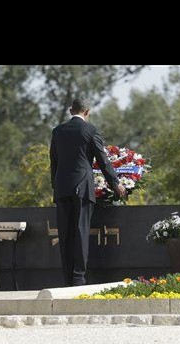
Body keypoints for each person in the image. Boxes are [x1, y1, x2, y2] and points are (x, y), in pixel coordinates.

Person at [50, 98, 125, 286]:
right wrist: (115, 184)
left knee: (65, 235)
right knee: (81, 232)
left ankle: (67, 278)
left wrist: (56, 186)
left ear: (70, 111)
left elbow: (54, 162)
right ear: (87, 112)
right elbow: (103, 160)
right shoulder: (90, 130)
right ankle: (78, 278)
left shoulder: (57, 131)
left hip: (62, 188)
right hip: (82, 188)